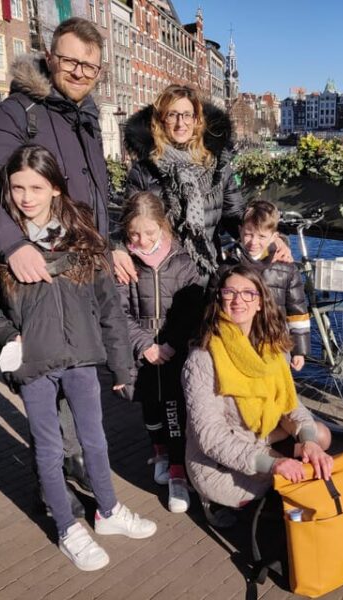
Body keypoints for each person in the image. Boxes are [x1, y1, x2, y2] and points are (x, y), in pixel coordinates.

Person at [0, 145, 157, 571]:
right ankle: (67, 527)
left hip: (82, 355)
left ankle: (108, 510)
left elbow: (108, 308)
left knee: (95, 439)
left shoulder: (82, 235)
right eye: (17, 187)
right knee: (48, 448)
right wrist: (8, 338)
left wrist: (122, 367)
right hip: (34, 360)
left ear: (55, 190)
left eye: (36, 187)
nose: (26, 197)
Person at [0, 17, 114, 504]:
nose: (79, 72)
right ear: (50, 57)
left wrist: (109, 247)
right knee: (47, 395)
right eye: (70, 60)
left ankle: (80, 481)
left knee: (77, 389)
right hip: (34, 281)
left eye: (90, 65)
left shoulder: (84, 118)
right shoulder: (20, 113)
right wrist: (11, 245)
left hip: (77, 278)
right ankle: (60, 502)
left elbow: (90, 198)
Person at [183, 265, 333, 526]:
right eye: (229, 292)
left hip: (263, 436)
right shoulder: (203, 359)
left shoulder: (272, 348)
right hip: (222, 460)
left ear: (261, 303)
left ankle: (277, 481)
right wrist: (273, 464)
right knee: (293, 477)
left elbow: (290, 404)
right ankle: (215, 499)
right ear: (220, 299)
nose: (238, 300)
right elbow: (210, 437)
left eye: (247, 293)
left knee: (319, 436)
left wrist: (307, 440)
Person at [118, 192, 203, 514]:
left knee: (173, 409)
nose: (142, 241)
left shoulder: (182, 262)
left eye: (150, 233)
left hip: (172, 351)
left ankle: (178, 471)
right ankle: (159, 451)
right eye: (134, 235)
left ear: (163, 227)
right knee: (149, 407)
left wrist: (170, 344)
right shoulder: (124, 263)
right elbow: (116, 310)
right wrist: (145, 345)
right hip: (142, 352)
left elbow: (191, 310)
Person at [114, 84, 245, 283]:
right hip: (161, 277)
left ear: (196, 119)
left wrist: (270, 238)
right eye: (172, 115)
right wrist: (119, 249)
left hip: (205, 274)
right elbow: (129, 222)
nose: (180, 123)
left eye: (186, 115)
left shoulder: (217, 166)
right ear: (161, 120)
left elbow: (234, 217)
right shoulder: (144, 170)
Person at [212, 200, 310, 370]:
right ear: (240, 231)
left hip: (274, 343)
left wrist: (299, 350)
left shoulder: (286, 269)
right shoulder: (226, 267)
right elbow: (213, 307)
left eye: (262, 236)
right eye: (248, 234)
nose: (253, 242)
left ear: (274, 237)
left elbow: (297, 312)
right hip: (235, 344)